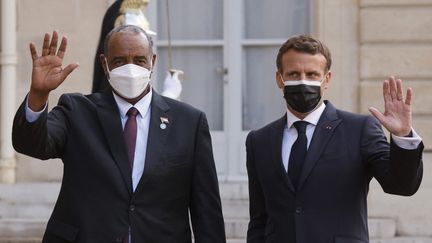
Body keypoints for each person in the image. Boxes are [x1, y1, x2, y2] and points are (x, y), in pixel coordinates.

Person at [12, 25, 226, 243]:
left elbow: (206, 211)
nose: (130, 68)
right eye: (120, 61)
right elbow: (31, 144)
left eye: (139, 60)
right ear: (105, 64)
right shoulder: (77, 111)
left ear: (153, 61)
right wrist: (39, 94)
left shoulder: (189, 122)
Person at [245, 35, 423, 243]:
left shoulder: (359, 129)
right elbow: (259, 219)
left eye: (312, 74)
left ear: (327, 79)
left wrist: (402, 136)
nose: (303, 80)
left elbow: (401, 185)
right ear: (279, 79)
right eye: (294, 73)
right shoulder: (259, 141)